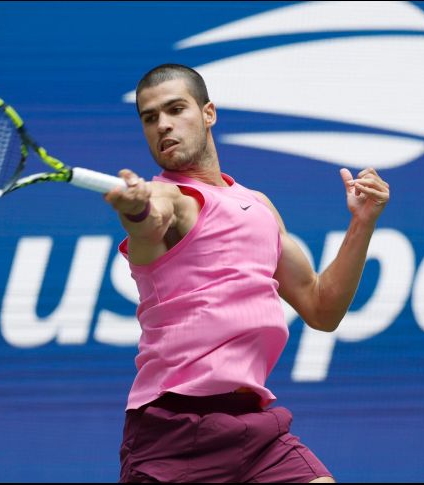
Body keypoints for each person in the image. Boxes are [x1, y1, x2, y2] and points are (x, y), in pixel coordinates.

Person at [104, 64, 390, 483]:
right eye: (150, 118)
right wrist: (136, 208)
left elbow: (321, 308)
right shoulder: (169, 197)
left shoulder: (257, 206)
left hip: (252, 426)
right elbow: (151, 221)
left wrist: (362, 222)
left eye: (175, 109)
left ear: (208, 113)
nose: (163, 125)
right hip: (174, 430)